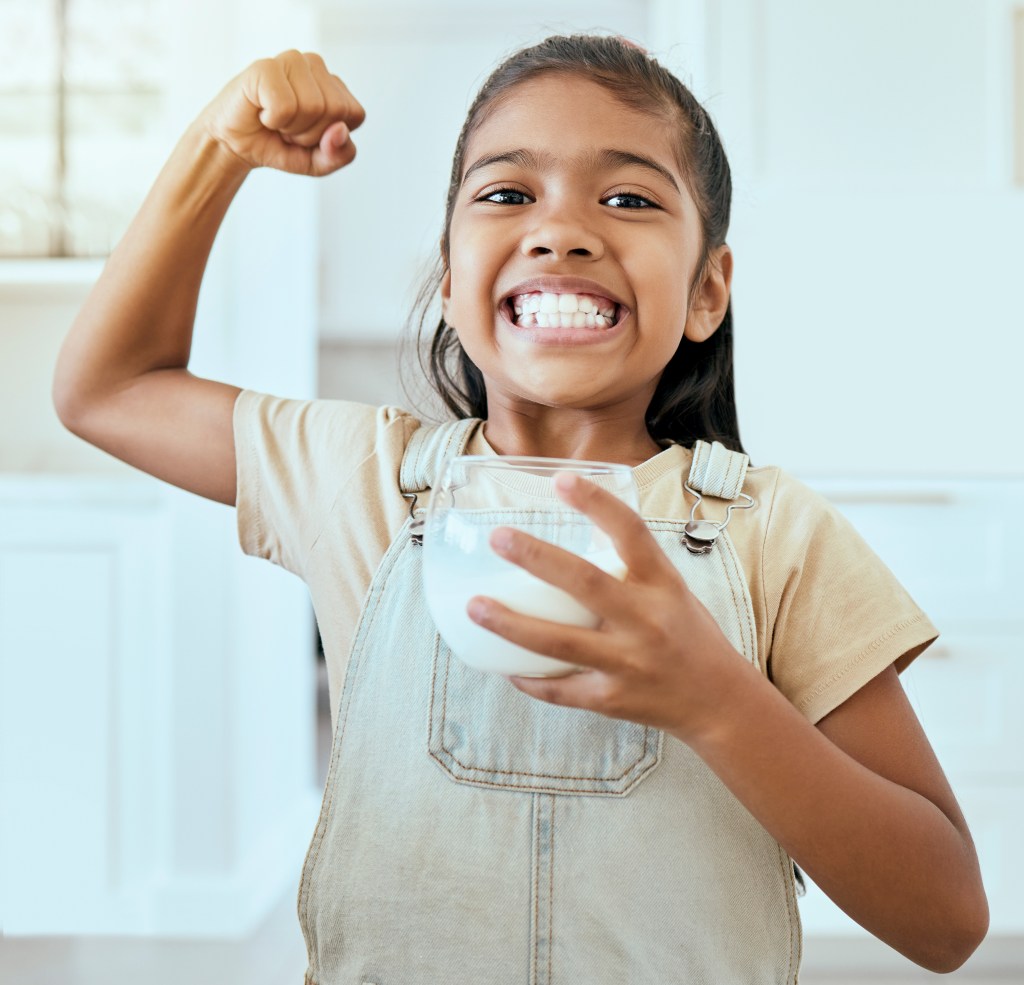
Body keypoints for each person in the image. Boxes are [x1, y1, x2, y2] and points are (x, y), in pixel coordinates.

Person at [53, 34, 988, 983]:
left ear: (708, 289)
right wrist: (217, 150)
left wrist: (719, 700)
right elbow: (107, 390)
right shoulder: (364, 478)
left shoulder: (774, 534)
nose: (562, 230)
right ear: (452, 282)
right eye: (507, 193)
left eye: (627, 198)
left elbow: (946, 920)